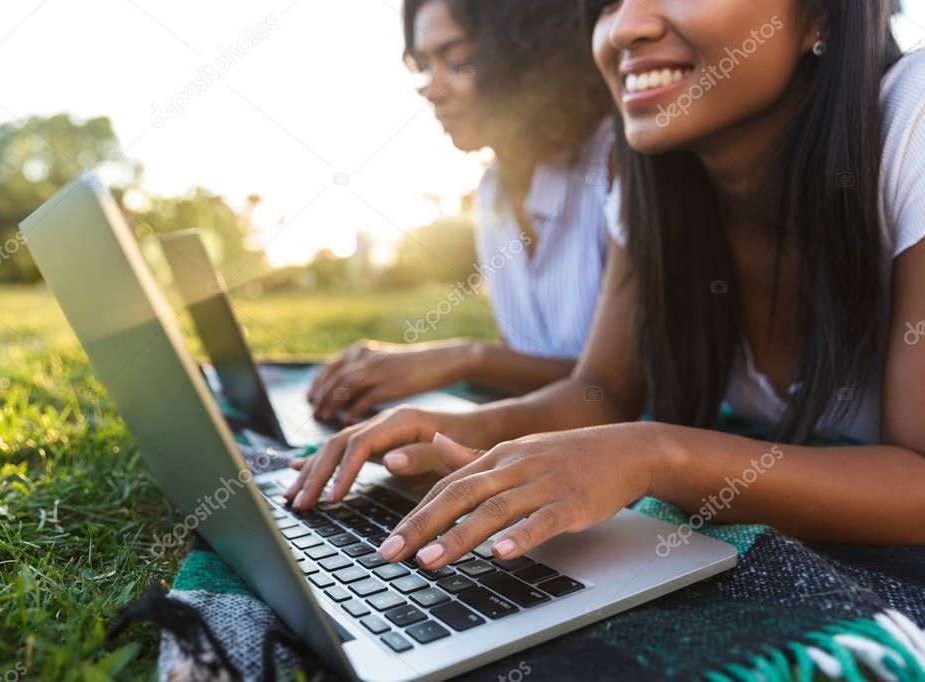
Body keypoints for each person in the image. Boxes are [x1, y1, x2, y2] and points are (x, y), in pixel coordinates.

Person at [286, 0, 925, 567]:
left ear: (822, 14)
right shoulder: (656, 184)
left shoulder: (910, 124)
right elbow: (600, 393)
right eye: (607, 3)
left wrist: (654, 454)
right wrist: (458, 432)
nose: (625, 27)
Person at [307, 0, 612, 425]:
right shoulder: (491, 194)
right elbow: (536, 379)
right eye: (423, 66)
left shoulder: (613, 160)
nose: (434, 88)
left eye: (459, 61)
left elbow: (622, 388)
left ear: (527, 56)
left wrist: (468, 358)